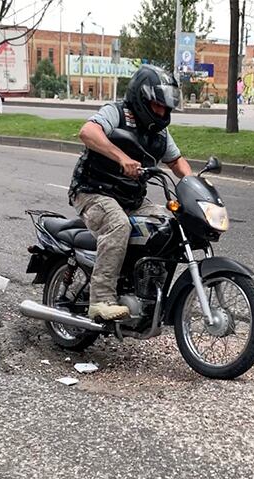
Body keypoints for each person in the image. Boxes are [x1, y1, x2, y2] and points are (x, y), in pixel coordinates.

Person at [68, 64, 192, 321]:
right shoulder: (116, 113)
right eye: (157, 105)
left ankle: (145, 291)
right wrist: (122, 157)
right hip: (92, 191)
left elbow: (177, 161)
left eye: (166, 107)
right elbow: (87, 132)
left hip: (130, 199)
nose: (162, 111)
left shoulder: (160, 133)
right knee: (118, 224)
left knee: (168, 225)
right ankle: (100, 300)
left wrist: (193, 185)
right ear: (141, 98)